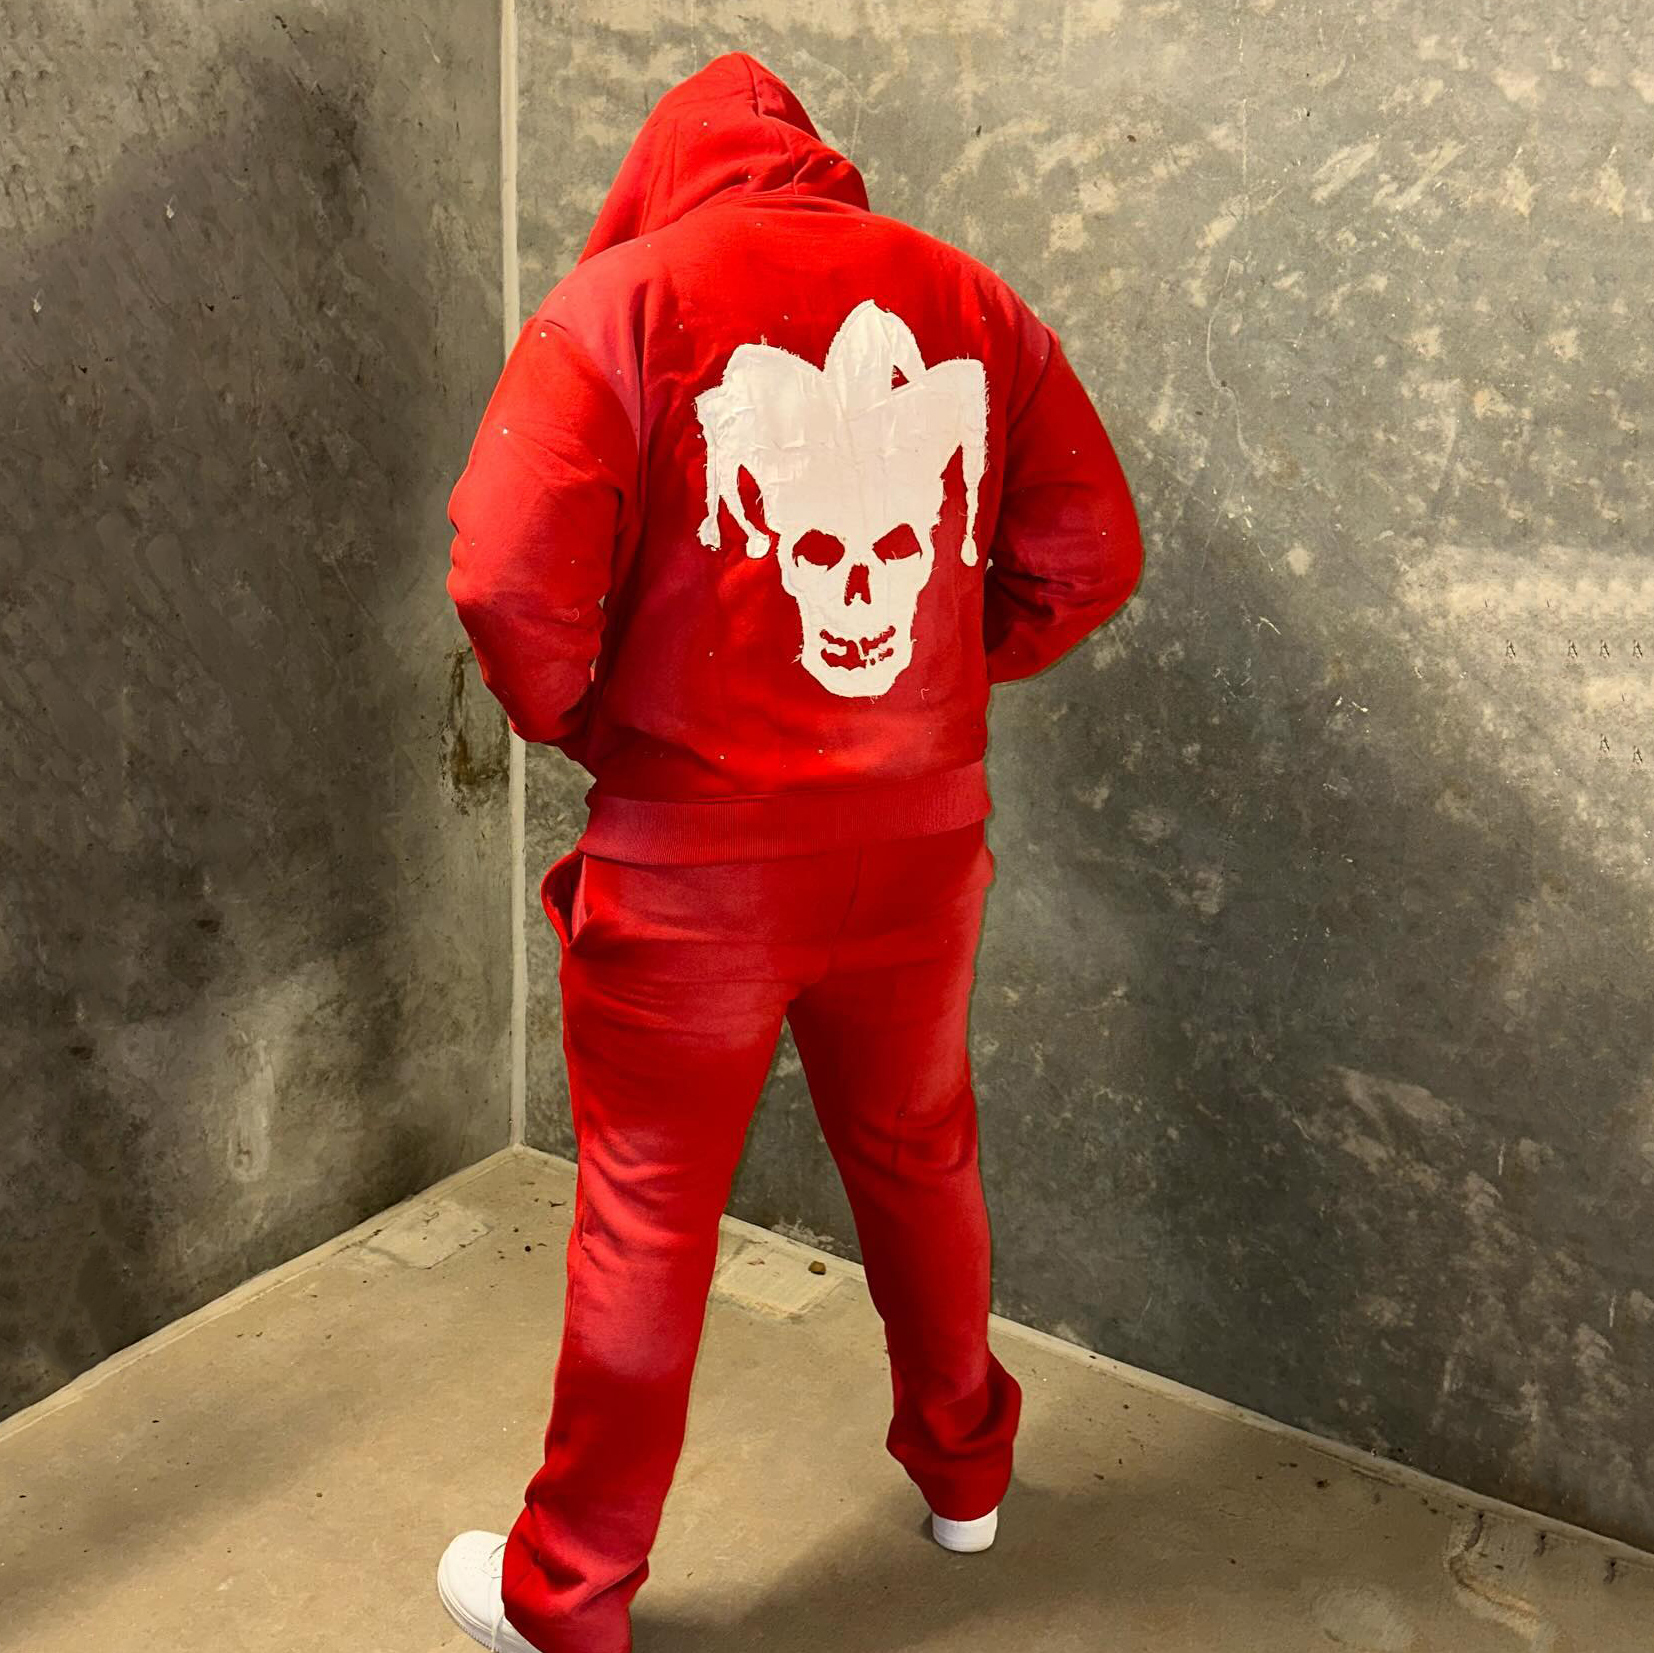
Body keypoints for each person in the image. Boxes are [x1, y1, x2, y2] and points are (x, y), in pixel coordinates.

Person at [435, 49, 1142, 1653]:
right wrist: (936, 680)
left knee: (645, 1210)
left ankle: (570, 1593)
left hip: (694, 864)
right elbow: (1091, 551)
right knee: (920, 1153)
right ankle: (966, 1476)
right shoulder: (975, 302)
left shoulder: (618, 308)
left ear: (658, 176)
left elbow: (502, 575)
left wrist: (591, 720)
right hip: (916, 842)